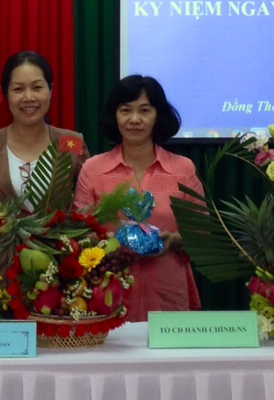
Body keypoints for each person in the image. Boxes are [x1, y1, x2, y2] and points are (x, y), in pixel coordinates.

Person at [73, 75, 202, 322]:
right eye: (125, 110)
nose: (134, 119)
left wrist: (174, 240)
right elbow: (80, 232)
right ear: (115, 115)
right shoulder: (93, 169)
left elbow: (202, 233)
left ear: (158, 115)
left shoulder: (182, 169)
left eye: (144, 110)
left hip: (168, 291)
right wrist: (111, 242)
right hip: (108, 293)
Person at [0, 52, 90, 211]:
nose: (28, 97)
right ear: (6, 94)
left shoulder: (72, 143)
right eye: (18, 89)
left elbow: (87, 207)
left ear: (51, 90)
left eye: (37, 87)